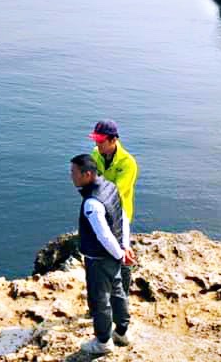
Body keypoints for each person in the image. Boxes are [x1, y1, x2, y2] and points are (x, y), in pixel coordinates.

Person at [71, 153, 134, 356]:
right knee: (118, 292)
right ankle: (122, 332)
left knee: (100, 300)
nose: (71, 176)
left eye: (74, 172)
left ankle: (103, 341)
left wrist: (118, 254)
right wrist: (124, 248)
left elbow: (104, 235)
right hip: (115, 255)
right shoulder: (110, 187)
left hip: (99, 259)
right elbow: (122, 216)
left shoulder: (92, 203)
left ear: (87, 174)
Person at [89, 119, 139, 295]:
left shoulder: (127, 163)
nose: (97, 144)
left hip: (119, 215)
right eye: (96, 140)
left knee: (121, 254)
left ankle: (121, 295)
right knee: (100, 257)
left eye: (101, 141)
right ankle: (102, 297)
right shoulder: (95, 155)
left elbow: (115, 192)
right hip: (100, 212)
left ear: (113, 140)